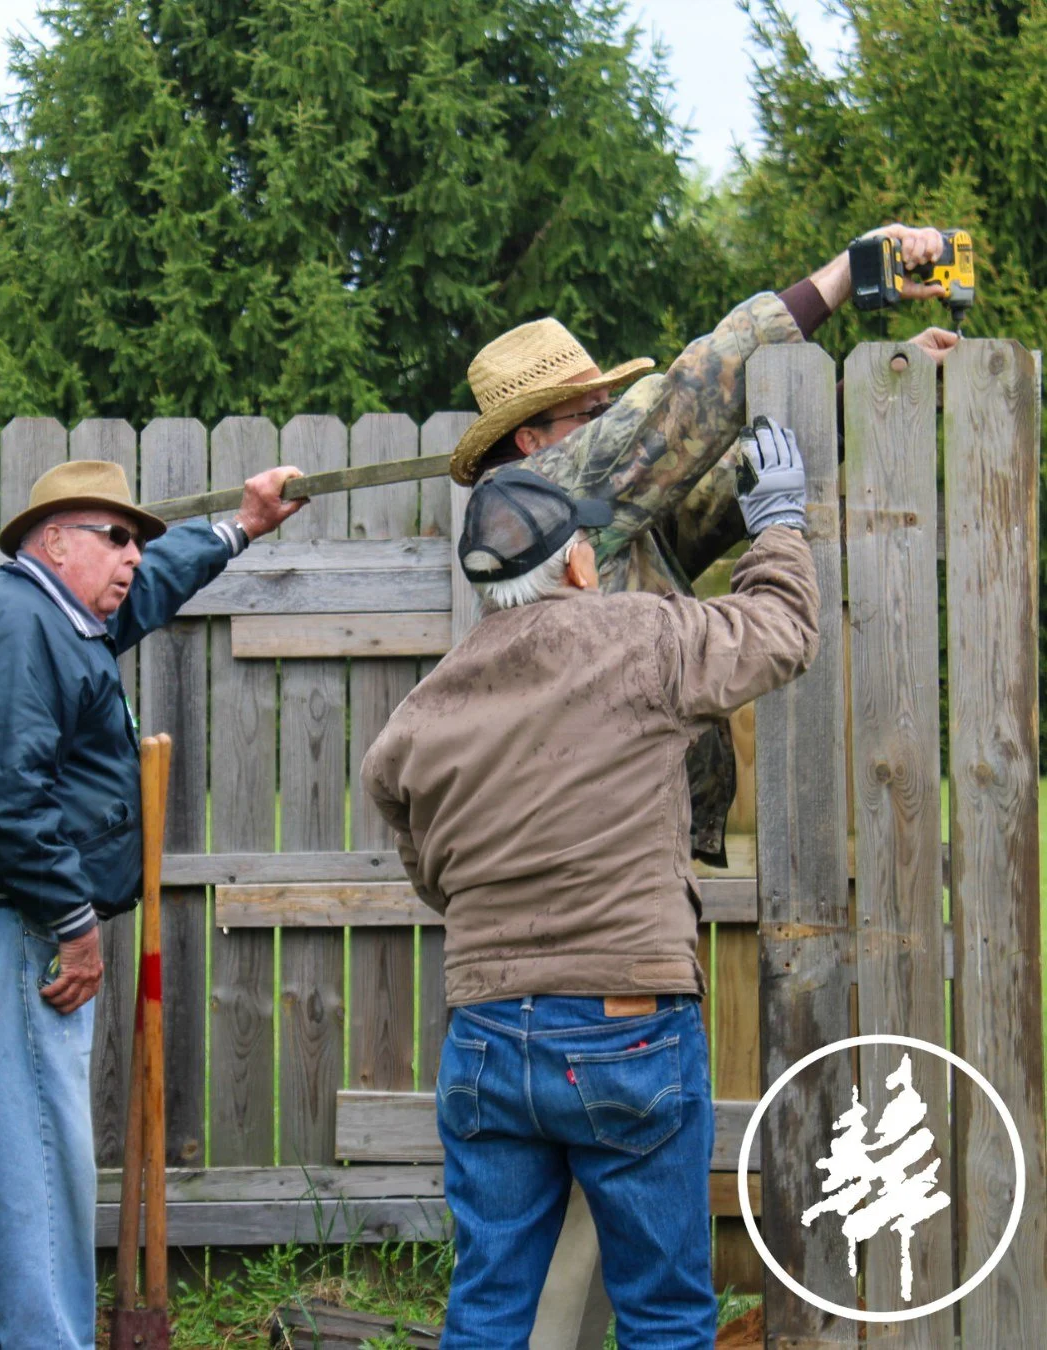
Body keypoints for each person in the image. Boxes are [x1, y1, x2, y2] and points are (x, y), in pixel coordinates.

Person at [361, 421, 820, 1349]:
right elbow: (780, 634)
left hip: (487, 1035)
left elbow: (430, 869)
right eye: (590, 544)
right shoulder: (638, 640)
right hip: (624, 1027)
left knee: (491, 1306)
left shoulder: (422, 713)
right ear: (576, 564)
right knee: (662, 1312)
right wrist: (777, 523)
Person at [449, 221, 958, 866]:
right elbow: (695, 393)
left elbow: (717, 495)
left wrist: (880, 382)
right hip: (598, 835)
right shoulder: (540, 498)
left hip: (628, 825)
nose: (615, 425)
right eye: (596, 414)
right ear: (532, 442)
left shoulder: (595, 523)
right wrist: (847, 275)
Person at [0, 458, 306, 1350]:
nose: (133, 555)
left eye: (138, 540)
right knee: (40, 1160)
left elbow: (151, 587)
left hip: (21, 919)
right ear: (51, 540)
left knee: (16, 1156)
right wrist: (75, 926)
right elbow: (3, 789)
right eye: (115, 536)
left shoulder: (61, 615)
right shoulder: (16, 616)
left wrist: (242, 526)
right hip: (17, 925)